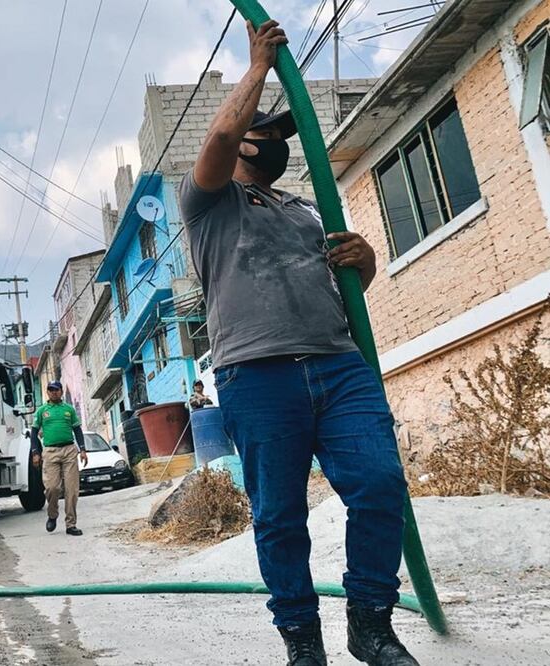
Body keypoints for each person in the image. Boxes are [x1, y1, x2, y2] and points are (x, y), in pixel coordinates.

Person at [177, 19, 418, 666]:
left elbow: (349, 293)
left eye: (281, 137)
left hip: (338, 366)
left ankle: (370, 625)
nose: (275, 144)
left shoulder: (307, 212)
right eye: (268, 134)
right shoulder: (208, 203)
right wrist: (255, 65)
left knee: (378, 483)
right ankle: (301, 643)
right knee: (280, 518)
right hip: (256, 376)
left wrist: (363, 262)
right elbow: (225, 133)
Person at [30, 381, 88, 536]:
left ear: (61, 391)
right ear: (47, 392)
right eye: (50, 390)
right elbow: (34, 433)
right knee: (52, 488)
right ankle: (52, 515)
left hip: (69, 450)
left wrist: (82, 449)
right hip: (50, 451)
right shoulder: (42, 411)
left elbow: (77, 430)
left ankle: (71, 524)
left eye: (56, 389)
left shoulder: (68, 410)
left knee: (72, 489)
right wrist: (35, 453)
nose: (54, 392)